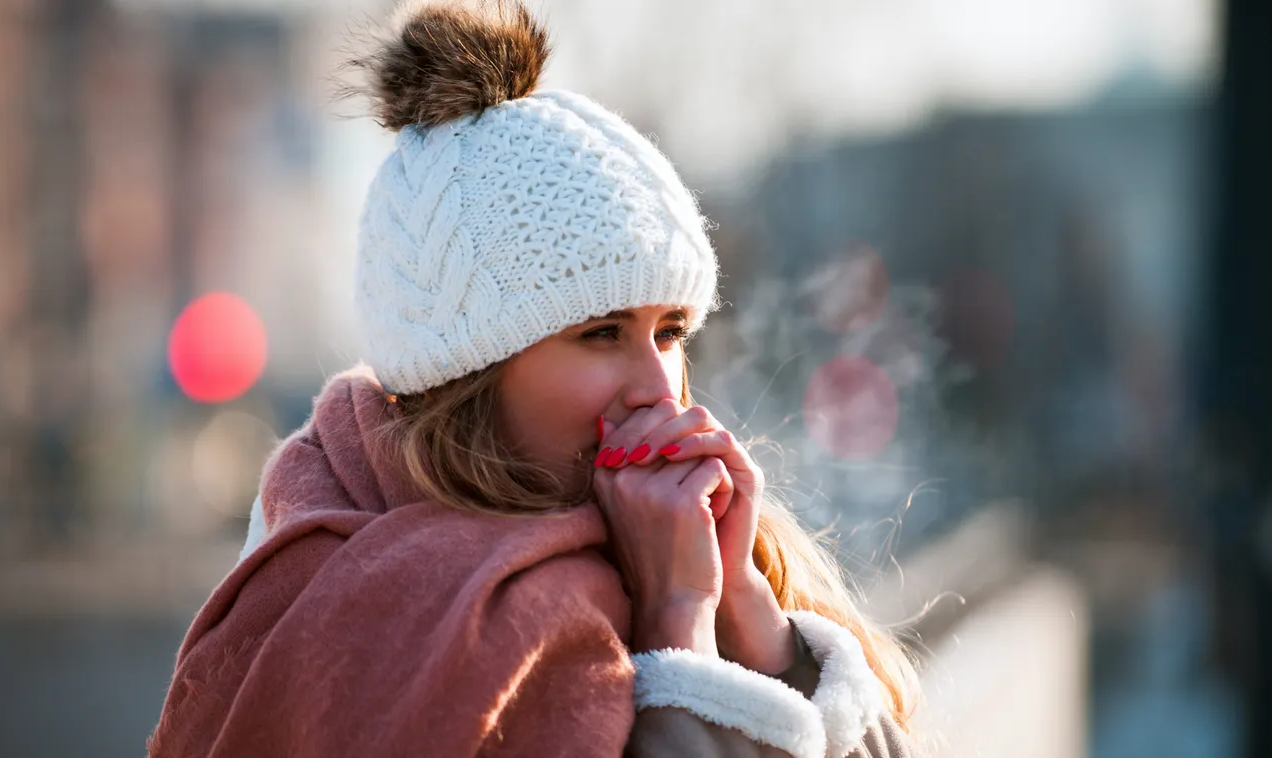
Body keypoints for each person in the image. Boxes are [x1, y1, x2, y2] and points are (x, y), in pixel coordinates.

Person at [149, 2, 921, 756]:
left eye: (669, 332)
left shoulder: (707, 549)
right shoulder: (347, 603)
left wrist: (755, 622)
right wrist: (677, 629)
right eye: (600, 334)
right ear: (467, 377)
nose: (658, 388)